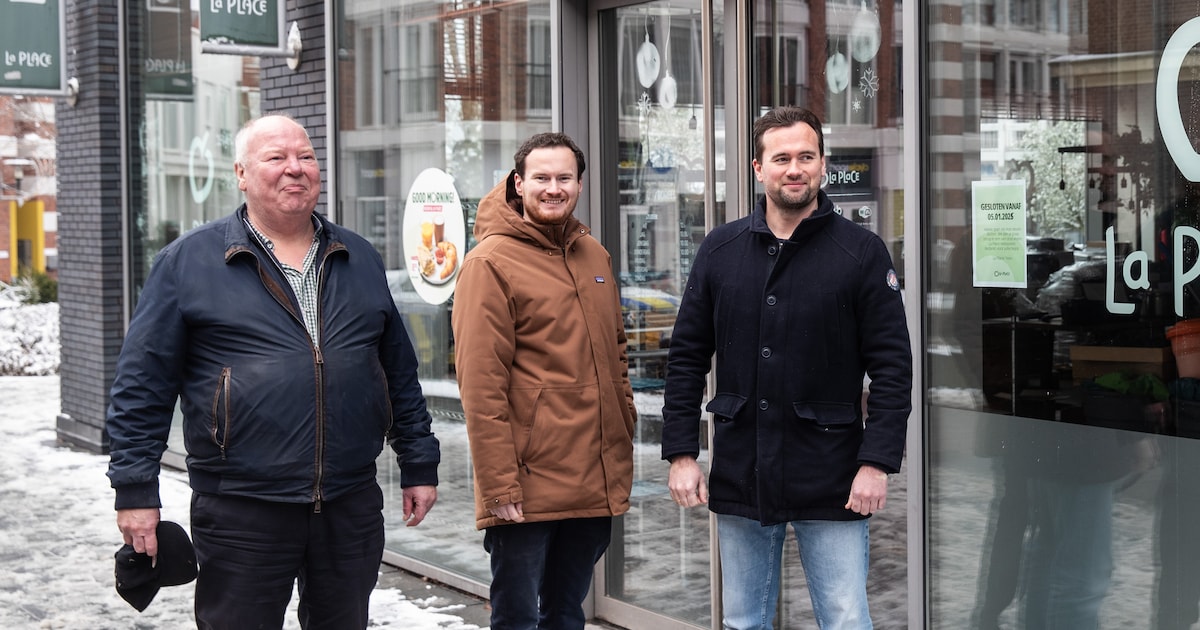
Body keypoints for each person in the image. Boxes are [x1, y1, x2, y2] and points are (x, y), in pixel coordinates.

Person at [105, 113, 441, 629]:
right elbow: (141, 387)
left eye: (305, 156)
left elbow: (397, 371)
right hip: (241, 508)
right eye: (276, 158)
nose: (295, 169)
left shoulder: (359, 257)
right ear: (241, 173)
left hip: (349, 502)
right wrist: (135, 492)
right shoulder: (189, 263)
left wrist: (417, 461)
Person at [662, 106, 912, 630]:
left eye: (806, 156)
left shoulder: (861, 252)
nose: (794, 168)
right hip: (741, 468)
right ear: (758, 168)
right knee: (742, 622)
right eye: (781, 158)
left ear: (822, 165)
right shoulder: (720, 249)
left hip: (834, 472)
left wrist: (877, 462)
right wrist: (682, 452)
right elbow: (686, 357)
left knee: (844, 619)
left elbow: (891, 366)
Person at [451, 132, 637, 630]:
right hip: (526, 485)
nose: (553, 188)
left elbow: (615, 353)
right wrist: (497, 484)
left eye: (564, 178)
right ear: (518, 183)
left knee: (566, 614)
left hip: (591, 474)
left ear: (578, 184)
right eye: (541, 178)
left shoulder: (592, 254)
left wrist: (624, 423)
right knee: (517, 619)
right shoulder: (488, 262)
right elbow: (480, 385)